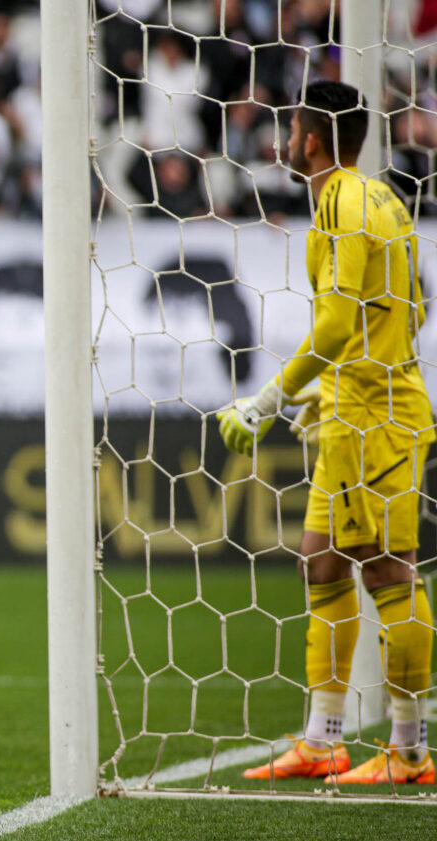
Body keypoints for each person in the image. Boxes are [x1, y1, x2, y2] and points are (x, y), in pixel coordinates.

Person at [217, 80, 436, 786]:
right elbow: (417, 309)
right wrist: (337, 384)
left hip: (371, 417)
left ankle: (407, 751)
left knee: (388, 571)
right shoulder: (387, 200)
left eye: (290, 129)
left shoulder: (342, 202)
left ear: (309, 138)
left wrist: (270, 399)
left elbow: (339, 326)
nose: (283, 141)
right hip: (368, 406)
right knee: (322, 561)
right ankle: (323, 739)